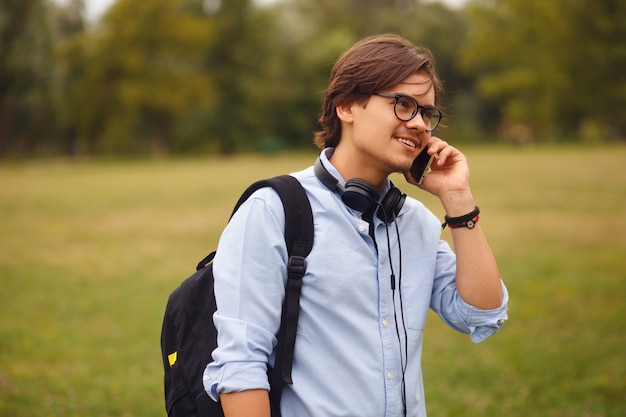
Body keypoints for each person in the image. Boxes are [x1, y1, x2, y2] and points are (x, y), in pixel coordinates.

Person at [203, 34, 509, 417]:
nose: (418, 124)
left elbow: (481, 314)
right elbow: (240, 366)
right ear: (346, 105)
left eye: (427, 113)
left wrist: (458, 200)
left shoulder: (414, 223)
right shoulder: (273, 210)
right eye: (403, 105)